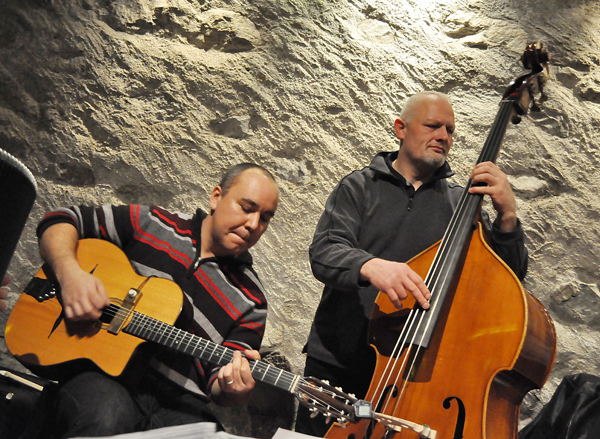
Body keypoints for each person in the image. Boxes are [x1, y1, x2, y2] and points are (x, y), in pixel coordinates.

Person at [295, 91, 528, 436]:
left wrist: (508, 215)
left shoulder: (461, 208)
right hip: (338, 364)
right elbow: (325, 252)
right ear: (401, 128)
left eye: (450, 130)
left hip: (411, 376)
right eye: (433, 126)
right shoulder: (359, 187)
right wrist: (371, 265)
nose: (443, 137)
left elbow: (505, 281)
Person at [35, 163, 279, 438]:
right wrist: (70, 275)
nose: (253, 224)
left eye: (265, 218)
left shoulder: (252, 300)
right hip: (100, 375)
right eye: (247, 208)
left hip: (178, 403)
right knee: (107, 416)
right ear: (216, 197)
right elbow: (60, 219)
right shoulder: (153, 223)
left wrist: (233, 390)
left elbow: (219, 382)